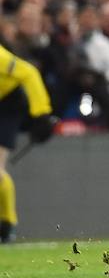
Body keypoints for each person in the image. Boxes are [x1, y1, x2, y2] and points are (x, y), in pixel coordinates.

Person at [0, 44, 57, 243]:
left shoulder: (1, 58)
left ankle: (6, 223)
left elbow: (29, 72)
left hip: (7, 105)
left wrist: (41, 113)